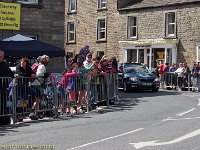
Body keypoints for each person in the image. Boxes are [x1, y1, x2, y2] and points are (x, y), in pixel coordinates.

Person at [0, 50, 15, 125]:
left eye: (2, 55)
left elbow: (10, 73)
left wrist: (14, 75)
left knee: (3, 103)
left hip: (4, 86)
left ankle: (4, 119)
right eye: (0, 55)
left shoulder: (5, 64)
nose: (2, 56)